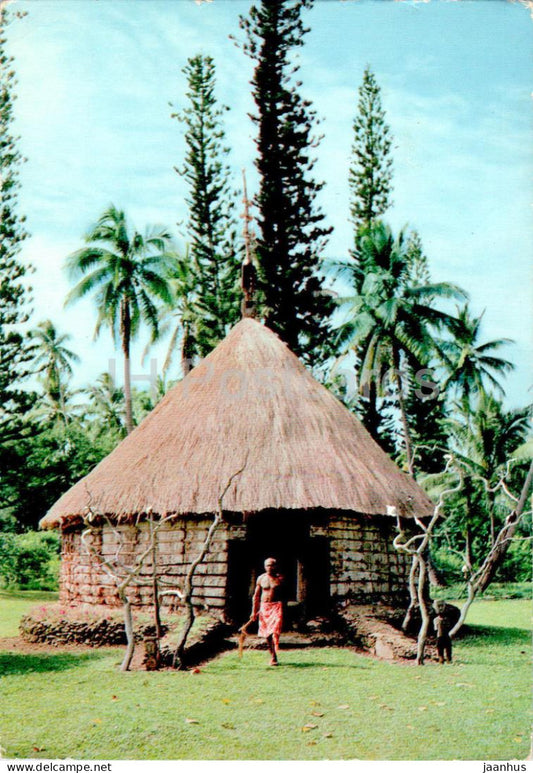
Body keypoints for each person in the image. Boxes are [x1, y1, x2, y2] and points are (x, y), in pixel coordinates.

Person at [252, 557, 284, 666]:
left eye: (272, 565)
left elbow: (286, 595)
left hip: (276, 606)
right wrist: (254, 611)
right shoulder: (261, 578)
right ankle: (273, 656)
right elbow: (256, 596)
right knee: (267, 634)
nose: (269, 567)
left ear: (276, 566)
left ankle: (276, 644)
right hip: (264, 607)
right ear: (264, 567)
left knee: (275, 628)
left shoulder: (280, 579)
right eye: (267, 565)